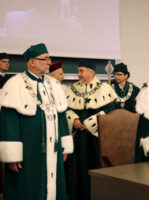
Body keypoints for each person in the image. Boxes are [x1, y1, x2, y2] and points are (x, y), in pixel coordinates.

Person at [0, 43, 73, 200]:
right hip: (28, 151)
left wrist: (65, 146)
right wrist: (12, 155)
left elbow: (61, 117)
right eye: (44, 59)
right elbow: (9, 122)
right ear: (31, 62)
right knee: (29, 188)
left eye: (49, 58)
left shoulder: (53, 84)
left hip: (53, 149)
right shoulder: (15, 84)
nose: (49, 63)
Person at [65, 61, 116, 200]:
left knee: (95, 167)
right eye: (78, 71)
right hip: (78, 137)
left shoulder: (105, 88)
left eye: (81, 71)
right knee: (77, 169)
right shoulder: (73, 88)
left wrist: (91, 123)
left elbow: (110, 110)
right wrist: (74, 119)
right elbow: (67, 109)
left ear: (91, 72)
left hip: (96, 137)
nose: (78, 74)